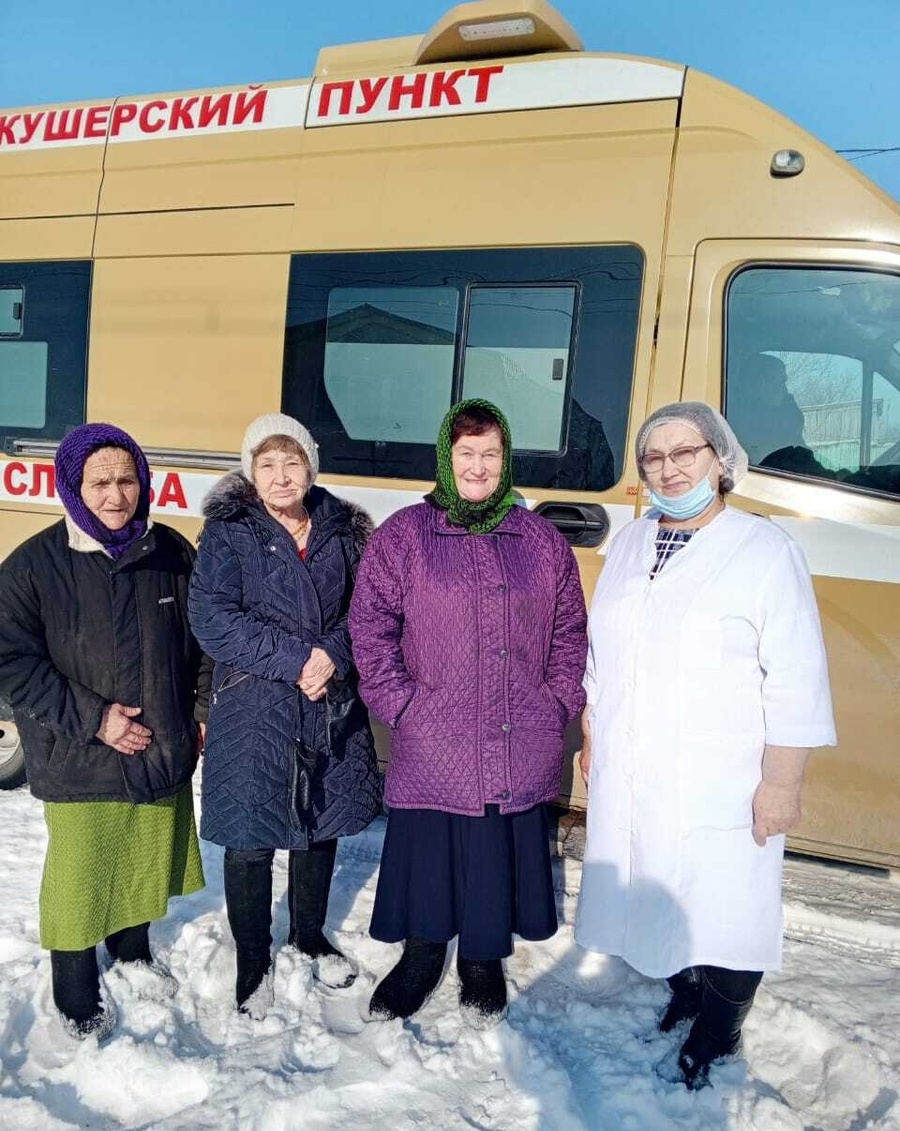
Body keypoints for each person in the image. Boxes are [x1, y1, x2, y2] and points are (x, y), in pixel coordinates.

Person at [574, 402, 836, 1089]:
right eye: (653, 458)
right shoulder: (632, 542)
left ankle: (720, 1028)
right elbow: (602, 654)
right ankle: (685, 988)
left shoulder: (764, 549)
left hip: (725, 773)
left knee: (729, 903)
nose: (669, 469)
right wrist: (592, 735)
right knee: (658, 881)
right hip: (635, 763)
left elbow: (797, 676)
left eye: (685, 453)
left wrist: (783, 783)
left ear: (720, 460)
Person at [349, 399, 587, 1025]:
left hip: (518, 728)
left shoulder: (540, 541)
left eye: (490, 454)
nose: (478, 467)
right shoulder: (405, 535)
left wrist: (557, 701)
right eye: (466, 453)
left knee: (492, 847)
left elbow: (570, 631)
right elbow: (370, 627)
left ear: (506, 461)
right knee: (430, 850)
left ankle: (482, 956)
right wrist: (399, 703)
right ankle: (422, 955)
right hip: (432, 731)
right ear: (445, 458)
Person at [0, 424, 208, 1039]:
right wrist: (96, 719)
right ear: (71, 487)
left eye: (127, 480)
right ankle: (73, 982)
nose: (116, 495)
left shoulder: (171, 551)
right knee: (80, 873)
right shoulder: (34, 565)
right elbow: (11, 660)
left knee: (144, 855)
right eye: (99, 483)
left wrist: (200, 713)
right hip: (78, 749)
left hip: (161, 739)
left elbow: (205, 644)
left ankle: (131, 949)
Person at [187, 413, 380, 1017]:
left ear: (310, 467)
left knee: (319, 823)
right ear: (250, 471)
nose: (280, 476)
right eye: (266, 464)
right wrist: (298, 659)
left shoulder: (342, 529)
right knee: (250, 833)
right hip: (254, 704)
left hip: (328, 700)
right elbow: (213, 618)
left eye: (292, 461)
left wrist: (332, 656)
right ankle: (253, 955)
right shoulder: (229, 533)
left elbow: (367, 611)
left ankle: (308, 934)